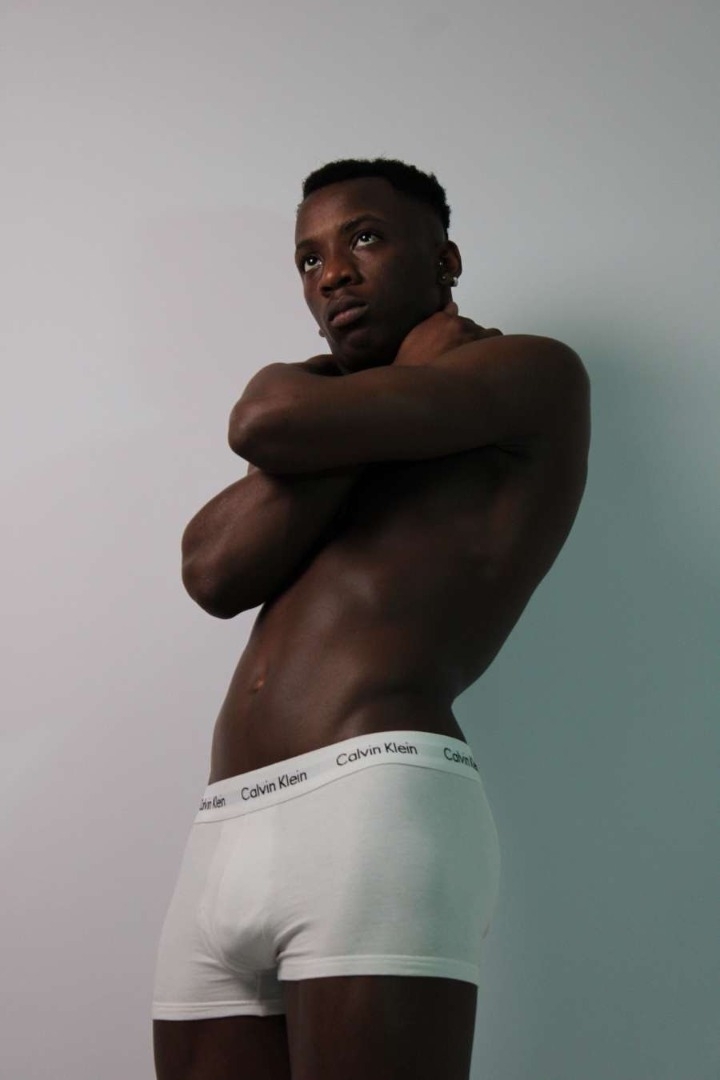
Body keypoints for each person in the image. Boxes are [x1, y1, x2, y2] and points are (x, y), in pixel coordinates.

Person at [151, 157, 591, 1080]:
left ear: (446, 259)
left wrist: (328, 413)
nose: (334, 274)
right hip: (224, 828)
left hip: (371, 805)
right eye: (309, 260)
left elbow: (264, 423)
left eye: (364, 238)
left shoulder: (530, 372)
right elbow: (211, 571)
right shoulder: (319, 421)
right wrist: (356, 398)